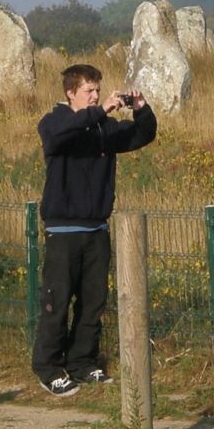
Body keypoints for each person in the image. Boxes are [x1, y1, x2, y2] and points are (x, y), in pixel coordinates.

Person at [33, 64, 157, 396]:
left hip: (97, 229)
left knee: (93, 303)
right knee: (56, 302)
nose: (95, 96)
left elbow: (142, 135)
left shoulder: (104, 129)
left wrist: (142, 110)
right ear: (70, 93)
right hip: (63, 231)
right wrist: (100, 110)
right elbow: (61, 135)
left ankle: (83, 364)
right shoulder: (54, 123)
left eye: (98, 90)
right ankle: (48, 367)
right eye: (88, 90)